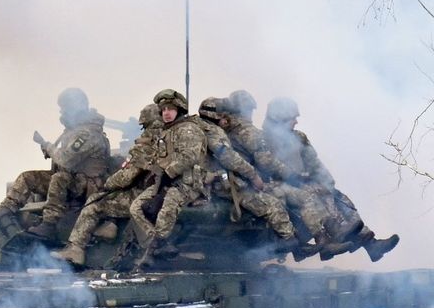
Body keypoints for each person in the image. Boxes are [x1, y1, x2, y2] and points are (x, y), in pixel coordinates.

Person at [221, 91, 361, 261]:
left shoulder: (241, 132)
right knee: (308, 195)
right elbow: (265, 162)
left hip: (261, 184)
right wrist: (291, 176)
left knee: (329, 193)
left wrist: (321, 180)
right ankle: (322, 240)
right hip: (258, 186)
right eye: (247, 110)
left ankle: (350, 238)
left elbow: (313, 163)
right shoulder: (250, 135)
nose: (296, 121)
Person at [261, 97, 399, 262]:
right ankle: (331, 240)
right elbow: (267, 167)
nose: (296, 122)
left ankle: (370, 244)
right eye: (292, 118)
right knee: (315, 195)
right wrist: (295, 179)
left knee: (339, 197)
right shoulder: (263, 140)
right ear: (279, 118)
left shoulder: (299, 138)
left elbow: (314, 163)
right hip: (278, 186)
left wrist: (328, 183)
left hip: (303, 183)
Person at [0, 88, 112, 240]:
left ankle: (49, 224)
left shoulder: (88, 134)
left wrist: (47, 145)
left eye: (65, 108)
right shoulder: (74, 131)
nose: (62, 112)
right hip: (74, 181)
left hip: (88, 186)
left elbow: (65, 159)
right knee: (28, 177)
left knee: (59, 178)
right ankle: (5, 211)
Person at [50, 104, 162, 265]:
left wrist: (109, 183)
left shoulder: (146, 146)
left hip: (146, 196)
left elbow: (127, 176)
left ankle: (76, 249)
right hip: (159, 192)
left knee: (95, 202)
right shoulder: (169, 141)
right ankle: (110, 225)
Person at [191, 97, 300, 251]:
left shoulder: (192, 128)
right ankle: (289, 240)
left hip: (200, 181)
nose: (228, 120)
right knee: (272, 204)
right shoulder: (212, 132)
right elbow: (228, 157)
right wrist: (253, 175)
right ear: (219, 116)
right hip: (214, 184)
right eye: (225, 116)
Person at [128, 89, 208, 268]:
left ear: (178, 110)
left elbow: (190, 156)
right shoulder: (166, 132)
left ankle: (153, 249)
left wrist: (168, 173)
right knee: (135, 207)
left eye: (170, 109)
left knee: (167, 210)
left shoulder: (188, 129)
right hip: (164, 181)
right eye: (163, 109)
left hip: (187, 183)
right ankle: (157, 243)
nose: (166, 113)